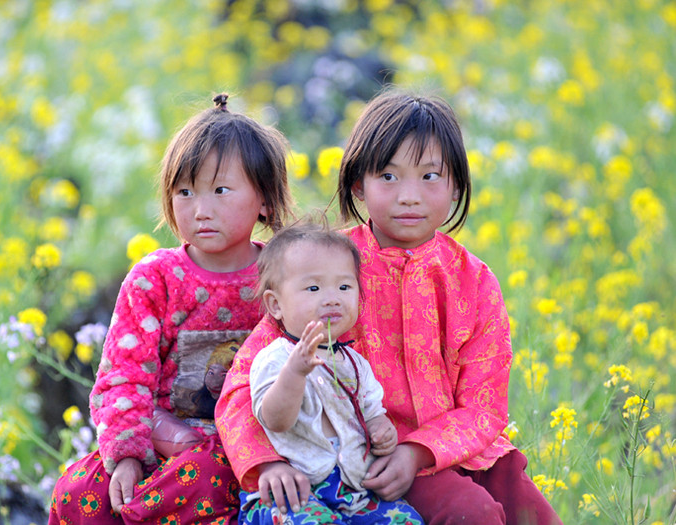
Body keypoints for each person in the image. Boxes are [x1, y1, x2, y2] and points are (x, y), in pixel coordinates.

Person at [216, 90, 563, 525]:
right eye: (389, 176)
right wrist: (265, 461)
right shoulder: (327, 269)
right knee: (470, 513)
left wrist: (419, 452)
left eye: (430, 177)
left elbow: (484, 406)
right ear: (358, 183)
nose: (409, 197)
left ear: (456, 185)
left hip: (463, 448)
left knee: (531, 511)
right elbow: (245, 381)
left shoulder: (474, 281)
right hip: (372, 457)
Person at [49, 93, 292, 525]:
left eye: (220, 190)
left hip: (247, 449)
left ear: (266, 200)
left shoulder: (283, 274)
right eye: (185, 191)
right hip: (158, 443)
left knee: (208, 480)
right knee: (78, 493)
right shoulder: (155, 278)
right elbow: (122, 377)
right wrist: (127, 454)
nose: (201, 210)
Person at [240, 221, 424, 525]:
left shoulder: (354, 362)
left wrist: (382, 430)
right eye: (313, 288)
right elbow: (275, 419)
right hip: (296, 490)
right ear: (275, 305)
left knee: (406, 520)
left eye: (344, 287)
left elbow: (372, 410)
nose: (332, 298)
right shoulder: (275, 359)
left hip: (352, 487)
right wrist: (295, 374)